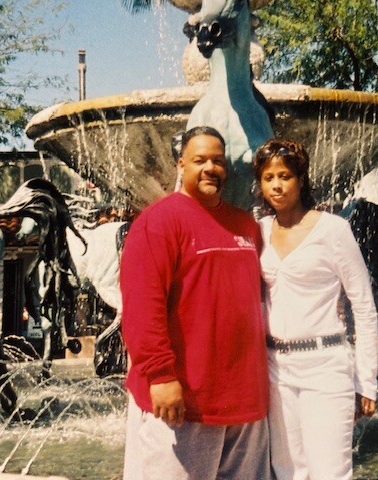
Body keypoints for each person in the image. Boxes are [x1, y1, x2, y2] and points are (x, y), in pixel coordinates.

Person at [120, 126, 271, 480]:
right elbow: (142, 307)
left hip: (246, 403)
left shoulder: (245, 225)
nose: (210, 168)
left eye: (218, 161)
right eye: (200, 160)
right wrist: (160, 376)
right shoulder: (158, 222)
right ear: (181, 164)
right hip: (183, 402)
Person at [253, 138, 378, 480]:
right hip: (276, 369)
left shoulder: (332, 229)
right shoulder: (259, 231)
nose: (276, 185)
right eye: (268, 178)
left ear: (301, 180)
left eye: (285, 176)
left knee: (329, 472)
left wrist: (366, 380)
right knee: (287, 471)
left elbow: (363, 306)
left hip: (325, 366)